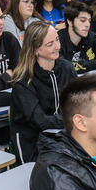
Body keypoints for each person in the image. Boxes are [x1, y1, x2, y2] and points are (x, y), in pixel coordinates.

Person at [9, 21, 76, 163]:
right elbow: (40, 122)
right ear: (35, 50)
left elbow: (80, 103)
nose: (57, 47)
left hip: (63, 135)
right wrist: (72, 119)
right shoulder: (23, 80)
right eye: (50, 44)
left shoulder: (67, 68)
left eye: (57, 40)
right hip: (32, 142)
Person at [58, 1, 96, 73]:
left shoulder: (91, 36)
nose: (88, 25)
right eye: (83, 20)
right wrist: (94, 64)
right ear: (70, 22)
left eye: (89, 21)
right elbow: (61, 65)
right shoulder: (57, 40)